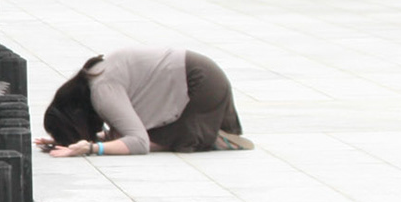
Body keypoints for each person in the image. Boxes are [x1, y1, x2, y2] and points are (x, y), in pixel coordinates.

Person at [39, 48, 252, 157]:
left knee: (164, 140)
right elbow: (124, 130)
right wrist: (70, 140)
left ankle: (214, 137)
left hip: (200, 85)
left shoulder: (102, 91)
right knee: (130, 138)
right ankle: (209, 130)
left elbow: (138, 142)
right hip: (199, 77)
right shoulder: (92, 79)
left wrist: (91, 148)